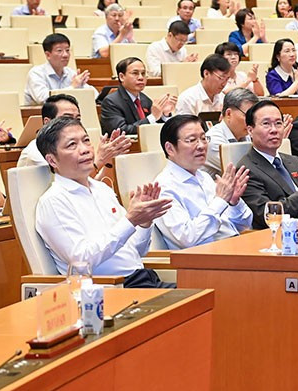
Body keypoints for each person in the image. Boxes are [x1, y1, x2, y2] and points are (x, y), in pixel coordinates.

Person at [35, 116, 174, 287]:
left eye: (86, 141)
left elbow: (135, 252)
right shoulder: (53, 202)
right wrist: (130, 220)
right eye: (72, 145)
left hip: (143, 277)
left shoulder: (102, 190)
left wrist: (144, 223)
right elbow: (81, 261)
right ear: (52, 160)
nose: (85, 149)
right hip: (110, 289)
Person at [153, 115, 253, 249]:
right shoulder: (164, 188)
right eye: (191, 140)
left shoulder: (204, 177)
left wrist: (234, 202)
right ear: (170, 148)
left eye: (203, 138)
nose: (201, 146)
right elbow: (187, 238)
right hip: (203, 260)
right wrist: (220, 201)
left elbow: (244, 225)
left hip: (231, 248)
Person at [239, 100, 298, 228]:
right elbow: (267, 215)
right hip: (286, 235)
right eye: (266, 124)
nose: (274, 130)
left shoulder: (294, 161)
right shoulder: (246, 170)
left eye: (278, 123)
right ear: (250, 130)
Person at [17, 94, 131, 175]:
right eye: (67, 118)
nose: (74, 123)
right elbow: (69, 187)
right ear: (47, 122)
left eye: (78, 119)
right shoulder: (36, 151)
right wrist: (100, 160)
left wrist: (108, 161)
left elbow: (95, 183)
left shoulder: (79, 146)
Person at [100, 57, 176, 135]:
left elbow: (156, 124)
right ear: (121, 77)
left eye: (143, 73)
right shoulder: (111, 101)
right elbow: (120, 131)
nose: (141, 77)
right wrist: (153, 116)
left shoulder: (144, 99)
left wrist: (165, 114)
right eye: (135, 73)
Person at [24, 33, 95, 105]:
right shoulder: (36, 73)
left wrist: (82, 86)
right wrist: (72, 88)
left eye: (67, 50)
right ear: (48, 55)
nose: (65, 55)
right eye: (59, 51)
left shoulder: (71, 73)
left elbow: (94, 95)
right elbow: (42, 99)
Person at [203, 88, 259, 178]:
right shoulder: (214, 140)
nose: (251, 122)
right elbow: (244, 172)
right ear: (229, 114)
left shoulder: (245, 135)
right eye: (247, 116)